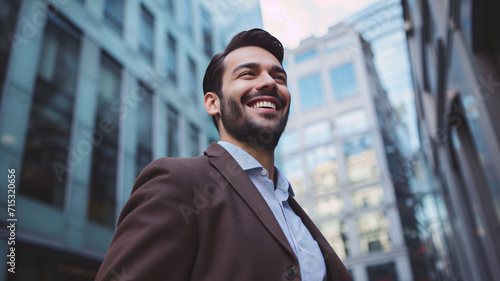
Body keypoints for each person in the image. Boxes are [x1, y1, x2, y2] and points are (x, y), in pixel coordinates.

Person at [95, 28, 352, 281]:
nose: (270, 83)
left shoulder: (290, 205)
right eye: (248, 74)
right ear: (212, 103)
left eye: (279, 78)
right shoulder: (177, 180)